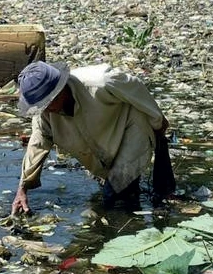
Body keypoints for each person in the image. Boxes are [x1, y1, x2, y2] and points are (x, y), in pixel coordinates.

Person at [10, 61, 176, 215]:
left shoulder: (102, 81)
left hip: (132, 128)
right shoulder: (44, 114)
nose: (45, 110)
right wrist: (22, 188)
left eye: (47, 104)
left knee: (113, 196)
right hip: (105, 140)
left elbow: (136, 88)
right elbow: (37, 145)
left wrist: (157, 121)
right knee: (117, 188)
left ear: (59, 91)